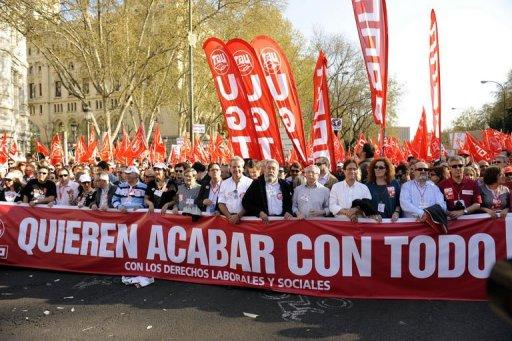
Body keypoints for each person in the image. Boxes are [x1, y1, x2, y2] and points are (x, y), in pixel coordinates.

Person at [242, 159, 294, 223]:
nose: (271, 171)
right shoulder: (257, 184)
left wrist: (288, 211)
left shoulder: (285, 185)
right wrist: (259, 212)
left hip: (281, 222)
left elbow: (290, 202)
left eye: (273, 169)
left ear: (277, 171)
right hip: (264, 223)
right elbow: (246, 202)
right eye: (269, 168)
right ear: (265, 170)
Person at [217, 156, 253, 224]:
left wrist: (238, 216)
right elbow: (221, 202)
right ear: (230, 169)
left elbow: (250, 203)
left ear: (243, 169)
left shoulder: (250, 183)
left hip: (246, 220)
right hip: (229, 220)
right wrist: (229, 217)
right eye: (233, 167)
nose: (236, 169)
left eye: (239, 167)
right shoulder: (224, 183)